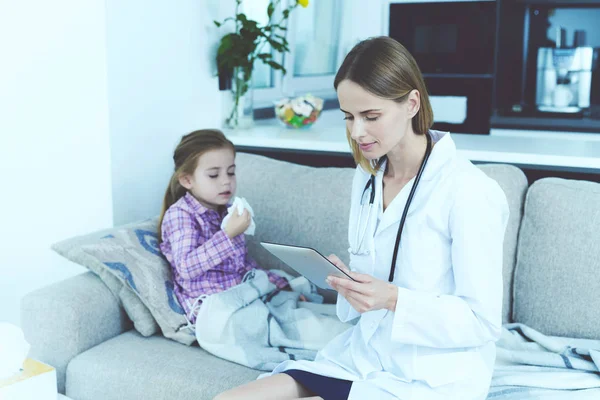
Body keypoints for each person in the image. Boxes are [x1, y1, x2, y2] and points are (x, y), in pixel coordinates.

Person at [214, 36, 509, 400]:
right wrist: (348, 284)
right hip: (363, 357)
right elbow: (372, 278)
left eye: (371, 116)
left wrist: (393, 300)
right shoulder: (367, 177)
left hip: (431, 378)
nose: (357, 132)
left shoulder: (469, 191)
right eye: (349, 117)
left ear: (412, 103)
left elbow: (481, 322)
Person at [158, 129, 291, 325]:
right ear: (187, 180)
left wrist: (279, 286)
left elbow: (243, 264)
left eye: (231, 172)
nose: (226, 181)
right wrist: (228, 234)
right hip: (213, 308)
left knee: (288, 293)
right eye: (213, 175)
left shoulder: (228, 211)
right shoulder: (181, 215)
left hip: (240, 295)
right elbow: (186, 267)